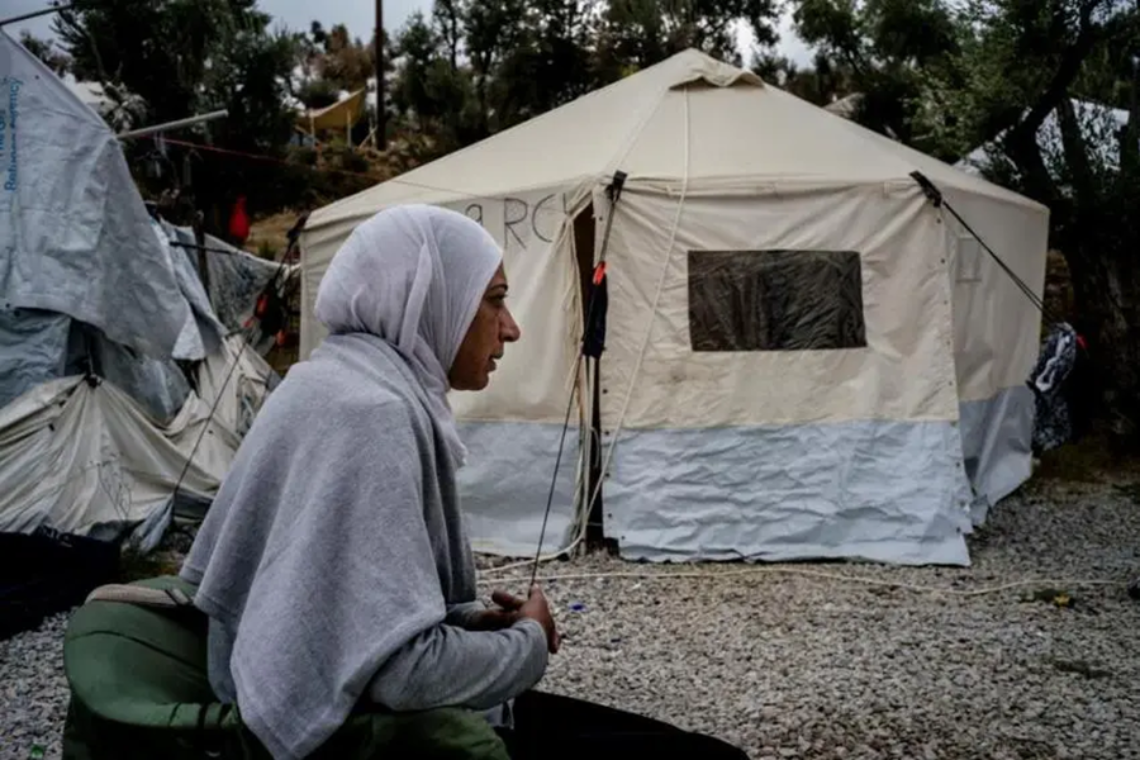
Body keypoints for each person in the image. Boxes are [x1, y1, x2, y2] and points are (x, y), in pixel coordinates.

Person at [179, 205, 748, 760]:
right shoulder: (373, 416)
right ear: (430, 302)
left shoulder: (321, 380)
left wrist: (474, 623)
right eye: (495, 300)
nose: (513, 328)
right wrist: (526, 643)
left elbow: (340, 614)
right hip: (370, 738)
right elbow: (404, 674)